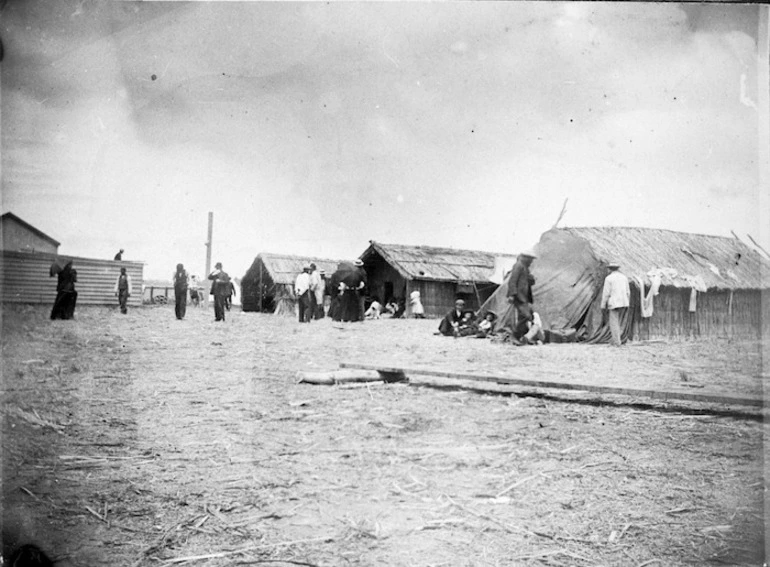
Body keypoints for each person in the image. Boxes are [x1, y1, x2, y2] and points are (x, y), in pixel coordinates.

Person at [506, 250, 537, 341]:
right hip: (518, 296)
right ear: (525, 258)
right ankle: (514, 336)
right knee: (526, 316)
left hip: (524, 296)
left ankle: (520, 337)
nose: (531, 261)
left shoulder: (525, 268)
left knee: (523, 316)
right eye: (530, 259)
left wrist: (531, 279)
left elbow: (527, 282)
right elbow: (512, 281)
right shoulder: (518, 265)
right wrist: (512, 295)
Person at [601, 262, 631, 346]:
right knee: (620, 321)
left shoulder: (609, 278)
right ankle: (616, 339)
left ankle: (616, 341)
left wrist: (603, 305)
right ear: (618, 268)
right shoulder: (624, 278)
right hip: (624, 302)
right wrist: (627, 302)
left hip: (614, 303)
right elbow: (628, 292)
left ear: (610, 269)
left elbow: (606, 293)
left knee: (614, 322)